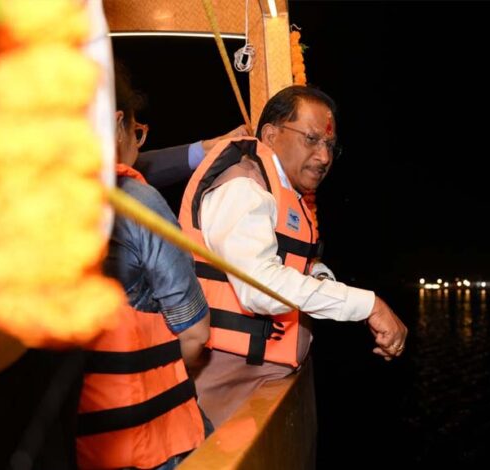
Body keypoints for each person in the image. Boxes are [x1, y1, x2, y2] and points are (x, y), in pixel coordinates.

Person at [167, 85, 409, 426]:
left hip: (258, 375)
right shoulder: (243, 188)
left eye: (330, 145)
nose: (324, 157)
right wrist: (369, 305)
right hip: (224, 380)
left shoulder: (282, 191)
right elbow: (260, 287)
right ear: (270, 135)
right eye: (311, 139)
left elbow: (291, 263)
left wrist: (319, 274)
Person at [74, 65, 211, 470]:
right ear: (117, 125)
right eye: (137, 132)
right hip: (148, 441)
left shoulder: (32, 201)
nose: (138, 143)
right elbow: (195, 333)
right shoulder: (139, 202)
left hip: (80, 441)